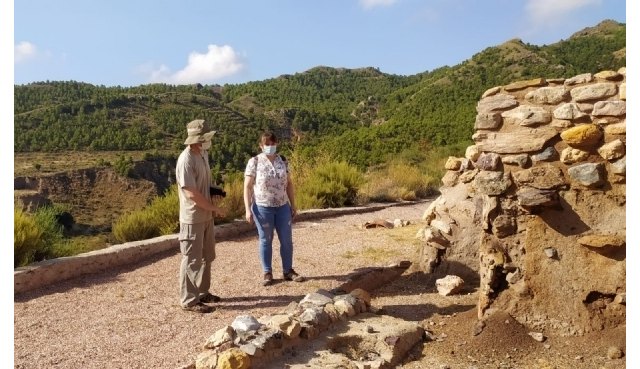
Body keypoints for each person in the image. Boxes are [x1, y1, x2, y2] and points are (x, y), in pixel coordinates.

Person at [175, 119, 226, 313]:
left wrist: (214, 191)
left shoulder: (202, 154)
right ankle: (189, 300)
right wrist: (215, 209)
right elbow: (191, 193)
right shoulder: (186, 159)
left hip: (205, 217)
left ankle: (203, 292)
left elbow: (201, 185)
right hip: (193, 217)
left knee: (207, 256)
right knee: (191, 258)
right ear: (199, 138)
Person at [243, 132, 305, 286]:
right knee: (266, 240)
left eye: (273, 143)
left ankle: (288, 271)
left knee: (286, 240)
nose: (270, 147)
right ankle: (267, 272)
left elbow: (289, 183)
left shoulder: (282, 160)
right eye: (267, 144)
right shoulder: (255, 161)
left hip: (282, 206)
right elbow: (247, 186)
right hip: (263, 208)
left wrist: (293, 204)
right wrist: (247, 209)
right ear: (261, 145)